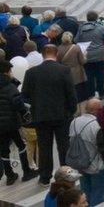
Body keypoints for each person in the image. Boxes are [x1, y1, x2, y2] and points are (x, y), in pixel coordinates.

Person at [23, 44, 77, 185]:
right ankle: (66, 174)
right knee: (64, 146)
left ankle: (45, 176)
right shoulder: (64, 71)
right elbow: (71, 94)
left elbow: (25, 96)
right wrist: (71, 111)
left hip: (41, 116)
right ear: (56, 54)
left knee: (44, 147)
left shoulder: (31, 73)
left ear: (42, 54)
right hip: (62, 115)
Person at [0, 59, 37, 184]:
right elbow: (18, 104)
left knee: (4, 149)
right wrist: (25, 115)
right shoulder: (10, 87)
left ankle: (9, 175)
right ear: (6, 72)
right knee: (21, 145)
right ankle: (26, 171)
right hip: (11, 122)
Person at [68, 98, 104, 206]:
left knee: (85, 194)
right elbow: (102, 148)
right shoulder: (97, 125)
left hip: (80, 164)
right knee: (99, 195)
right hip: (97, 166)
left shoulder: (74, 121)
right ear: (97, 111)